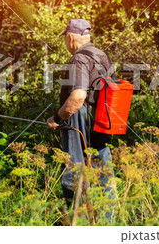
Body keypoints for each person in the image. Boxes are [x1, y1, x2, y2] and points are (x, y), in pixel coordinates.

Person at [46, 18, 116, 218]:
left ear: (70, 37)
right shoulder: (102, 56)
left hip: (80, 121)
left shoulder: (79, 59)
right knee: (103, 171)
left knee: (73, 170)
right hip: (102, 119)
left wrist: (57, 118)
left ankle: (76, 221)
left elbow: (78, 95)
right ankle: (107, 221)